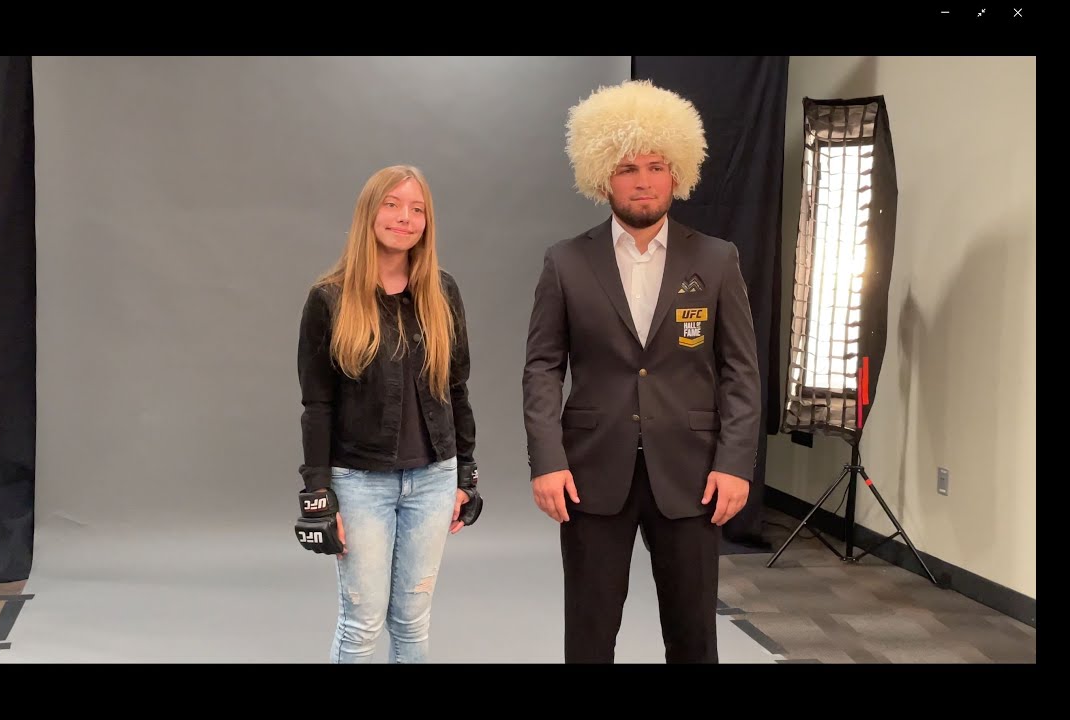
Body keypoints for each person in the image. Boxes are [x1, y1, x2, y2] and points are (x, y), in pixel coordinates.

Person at [521, 80, 761, 663]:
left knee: (693, 634)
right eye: (628, 167)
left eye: (656, 166)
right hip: (590, 473)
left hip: (692, 473)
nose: (644, 180)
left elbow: (741, 373)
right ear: (603, 177)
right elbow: (542, 369)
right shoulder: (566, 261)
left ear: (677, 173)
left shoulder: (716, 259)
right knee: (589, 632)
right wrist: (547, 461)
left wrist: (734, 465)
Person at [294, 164, 483, 663]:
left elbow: (456, 389)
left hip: (434, 481)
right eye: (393, 205)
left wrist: (467, 473)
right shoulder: (329, 299)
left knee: (412, 623)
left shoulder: (443, 293)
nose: (405, 217)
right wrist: (317, 493)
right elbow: (317, 405)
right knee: (361, 625)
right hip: (360, 484)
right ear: (369, 214)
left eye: (417, 208)